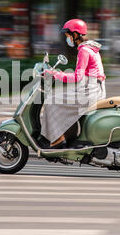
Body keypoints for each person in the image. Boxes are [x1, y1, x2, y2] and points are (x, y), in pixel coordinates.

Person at [40, 19, 106, 148]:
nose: (67, 39)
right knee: (58, 100)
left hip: (89, 92)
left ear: (75, 35)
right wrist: (61, 73)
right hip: (92, 89)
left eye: (68, 35)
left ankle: (57, 139)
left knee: (51, 101)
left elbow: (77, 77)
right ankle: (69, 137)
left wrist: (55, 74)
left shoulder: (84, 51)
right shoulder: (90, 48)